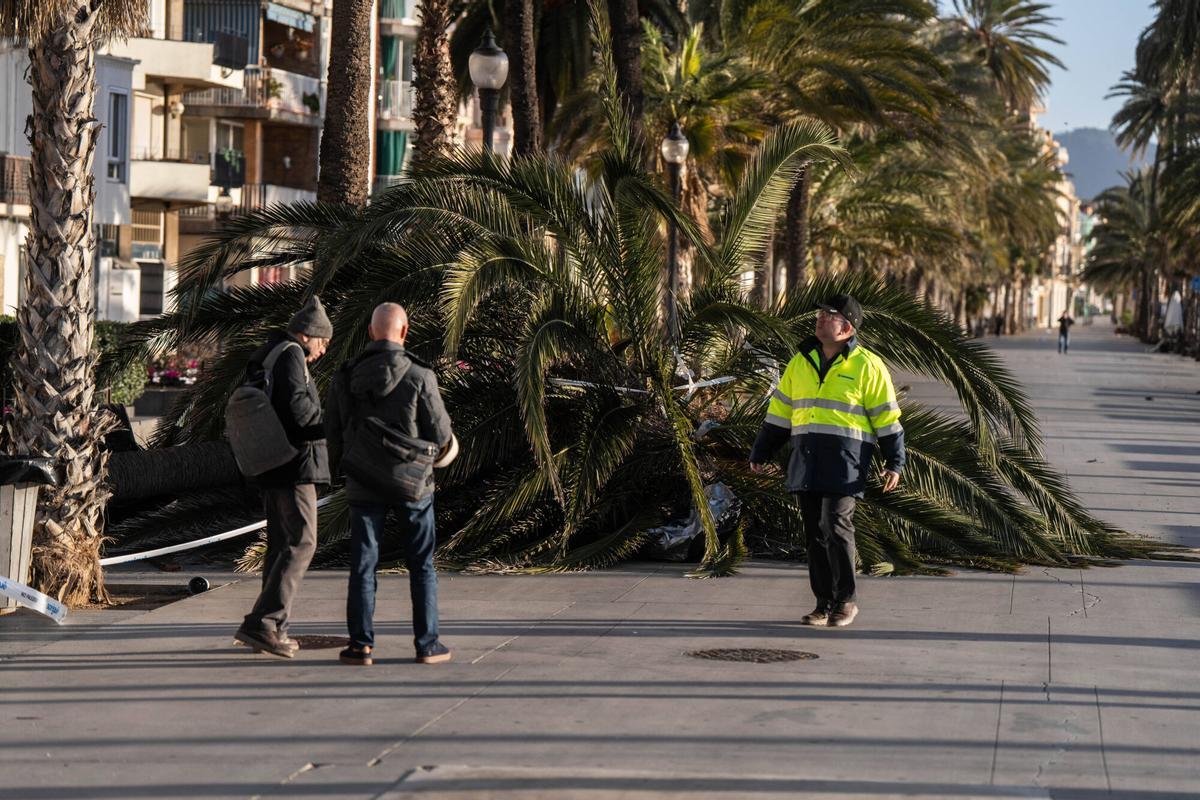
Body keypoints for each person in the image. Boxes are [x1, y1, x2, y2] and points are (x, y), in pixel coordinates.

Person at [749, 293, 904, 628]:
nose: (820, 318)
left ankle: (846, 601)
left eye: (829, 314)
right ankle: (823, 604)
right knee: (814, 533)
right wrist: (761, 450)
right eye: (819, 312)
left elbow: (887, 419)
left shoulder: (868, 366)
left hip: (846, 461)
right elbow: (780, 413)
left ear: (847, 327)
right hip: (805, 459)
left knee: (835, 525)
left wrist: (895, 461)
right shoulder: (800, 362)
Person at [326, 302, 456, 666]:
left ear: (370, 332)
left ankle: (360, 646)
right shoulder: (420, 376)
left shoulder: (345, 376)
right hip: (413, 486)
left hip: (363, 484)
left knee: (363, 566)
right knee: (422, 565)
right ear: (404, 332)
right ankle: (427, 645)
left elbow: (332, 433)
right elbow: (441, 433)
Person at [234, 296, 332, 658]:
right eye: (322, 342)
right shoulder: (290, 354)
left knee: (280, 545)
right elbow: (297, 410)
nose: (323, 350)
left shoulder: (267, 352)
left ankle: (273, 627)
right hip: (294, 465)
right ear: (307, 335)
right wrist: (330, 427)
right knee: (304, 541)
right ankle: (264, 621)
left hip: (271, 464)